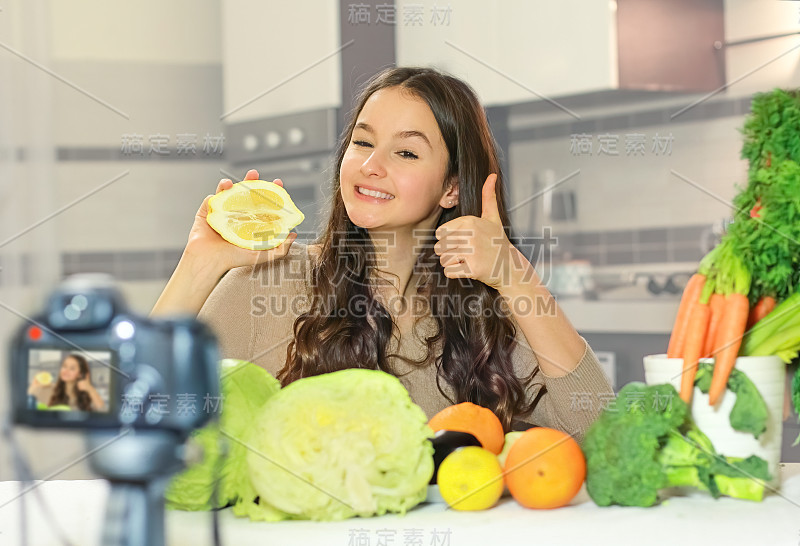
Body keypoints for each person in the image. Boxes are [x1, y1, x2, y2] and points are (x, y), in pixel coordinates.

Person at [152, 67, 611, 440]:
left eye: (406, 153)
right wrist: (199, 265)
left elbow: (601, 431)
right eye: (363, 142)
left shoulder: (487, 310)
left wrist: (516, 276)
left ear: (451, 188)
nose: (372, 166)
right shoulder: (265, 282)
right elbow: (142, 410)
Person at [27, 353, 106, 411]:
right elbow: (26, 403)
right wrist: (34, 386)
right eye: (64, 366)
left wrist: (90, 389)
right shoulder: (49, 389)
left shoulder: (88, 396)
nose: (66, 371)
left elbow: (103, 411)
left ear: (80, 374)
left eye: (72, 368)